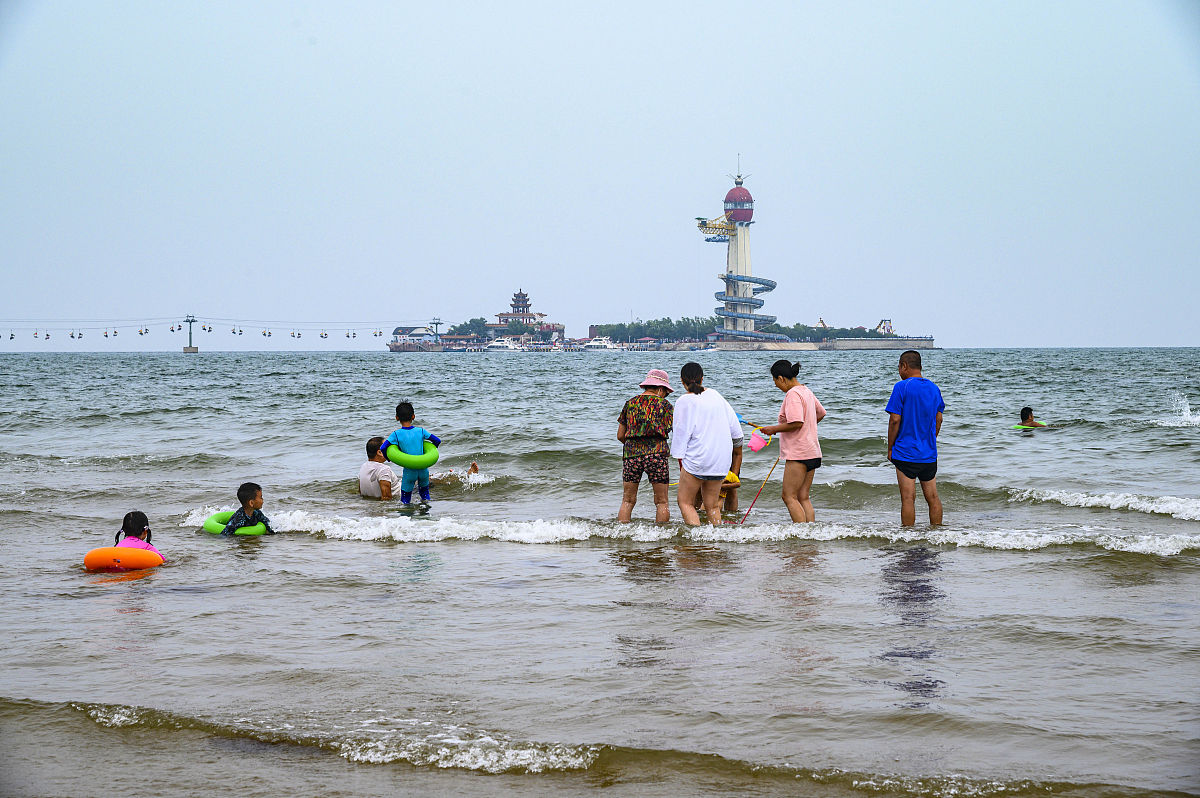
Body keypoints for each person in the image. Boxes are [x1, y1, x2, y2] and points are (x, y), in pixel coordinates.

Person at [670, 362, 743, 526]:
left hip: (697, 460)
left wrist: (679, 457)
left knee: (685, 502)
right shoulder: (716, 395)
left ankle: (697, 538)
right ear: (702, 379)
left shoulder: (683, 400)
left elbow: (680, 434)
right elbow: (737, 433)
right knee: (712, 506)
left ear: (682, 381)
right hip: (720, 462)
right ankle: (715, 538)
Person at [758, 359, 826, 522]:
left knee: (789, 496)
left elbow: (796, 422)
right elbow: (821, 413)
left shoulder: (793, 394)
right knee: (803, 497)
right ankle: (810, 533)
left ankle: (802, 533)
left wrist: (773, 429)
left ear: (781, 378)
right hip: (812, 452)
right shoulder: (806, 390)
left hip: (799, 454)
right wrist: (807, 429)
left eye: (775, 381)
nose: (775, 385)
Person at [885, 350, 944, 526]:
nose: (899, 372)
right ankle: (937, 533)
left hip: (906, 453)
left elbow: (895, 420)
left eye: (899, 367)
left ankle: (908, 536)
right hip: (928, 454)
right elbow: (939, 419)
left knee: (908, 498)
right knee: (933, 497)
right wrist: (931, 439)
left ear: (904, 366)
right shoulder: (934, 388)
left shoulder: (901, 387)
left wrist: (890, 447)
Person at [617, 369, 675, 523]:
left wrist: (635, 445)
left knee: (628, 500)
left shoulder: (630, 403)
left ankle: (622, 534)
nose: (666, 396)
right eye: (666, 393)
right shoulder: (666, 406)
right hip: (657, 455)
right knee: (661, 502)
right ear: (660, 389)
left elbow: (620, 435)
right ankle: (661, 535)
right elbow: (676, 432)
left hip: (631, 455)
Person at [382, 402, 441, 505]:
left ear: (397, 418)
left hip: (409, 472)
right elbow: (437, 440)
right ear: (413, 416)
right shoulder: (421, 431)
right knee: (425, 495)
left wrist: (388, 458)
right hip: (423, 470)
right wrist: (431, 450)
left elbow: (383, 447)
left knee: (405, 499)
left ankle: (407, 514)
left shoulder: (396, 434)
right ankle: (426, 512)